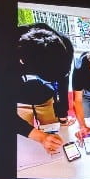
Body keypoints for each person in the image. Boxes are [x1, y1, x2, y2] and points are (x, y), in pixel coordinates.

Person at [15, 22, 73, 154]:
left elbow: (63, 82)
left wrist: (63, 114)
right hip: (19, 100)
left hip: (46, 99)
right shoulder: (7, 50)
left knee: (53, 141)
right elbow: (3, 112)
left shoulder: (65, 46)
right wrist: (40, 137)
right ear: (23, 61)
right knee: (25, 146)